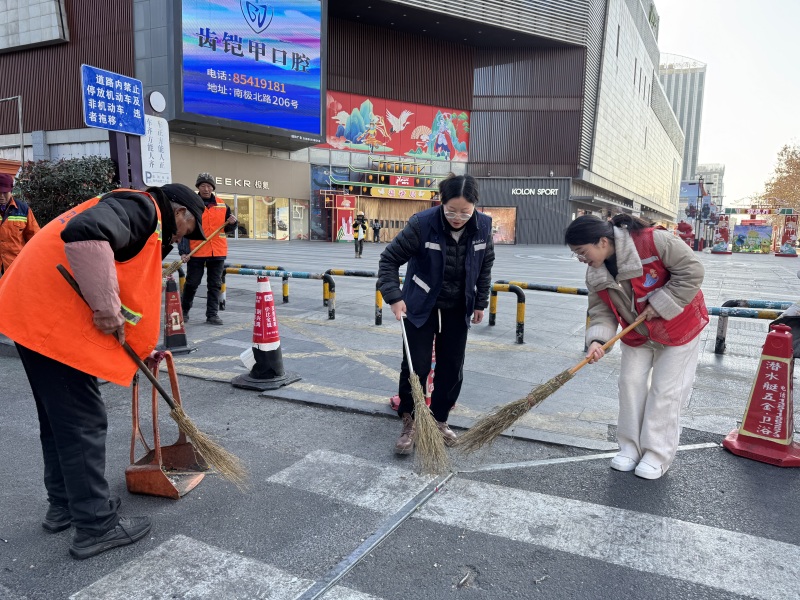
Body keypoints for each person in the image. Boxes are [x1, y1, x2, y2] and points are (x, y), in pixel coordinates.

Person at [0, 183, 205, 559]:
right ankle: (94, 525)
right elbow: (85, 234)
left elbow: (122, 273)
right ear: (179, 213)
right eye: (186, 230)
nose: (180, 240)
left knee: (60, 421)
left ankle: (64, 505)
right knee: (82, 422)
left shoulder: (136, 212)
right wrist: (107, 307)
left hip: (30, 314)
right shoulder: (143, 210)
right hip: (48, 324)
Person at [565, 214, 708, 480]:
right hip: (637, 331)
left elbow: (693, 271)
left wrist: (662, 302)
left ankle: (657, 453)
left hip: (677, 326)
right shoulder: (595, 272)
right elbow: (601, 311)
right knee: (629, 384)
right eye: (577, 255)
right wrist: (597, 341)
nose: (582, 259)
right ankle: (629, 447)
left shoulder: (654, 241)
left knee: (666, 390)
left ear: (603, 241)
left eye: (582, 252)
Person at [378, 174, 494, 454]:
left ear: (475, 206)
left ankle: (439, 420)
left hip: (457, 307)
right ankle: (410, 420)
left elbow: (485, 263)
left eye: (465, 212)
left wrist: (480, 302)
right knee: (415, 367)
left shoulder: (484, 226)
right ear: (441, 204)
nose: (457, 217)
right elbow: (389, 260)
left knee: (452, 367)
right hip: (420, 306)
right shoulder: (422, 224)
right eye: (451, 210)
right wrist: (394, 298)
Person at [181, 173, 237, 325]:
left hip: (217, 251)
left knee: (214, 285)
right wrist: (184, 251)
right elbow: (184, 229)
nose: (206, 189)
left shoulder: (222, 205)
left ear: (213, 188)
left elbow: (228, 229)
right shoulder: (190, 205)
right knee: (192, 283)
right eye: (203, 186)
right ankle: (183, 312)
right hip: (196, 251)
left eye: (209, 186)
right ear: (198, 187)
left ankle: (212, 314)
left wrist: (232, 223)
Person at [0, 173, 39, 275]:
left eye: (5, 192)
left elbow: (35, 238)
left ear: (11, 191)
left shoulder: (23, 210)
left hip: (15, 265)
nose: (1, 196)